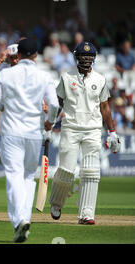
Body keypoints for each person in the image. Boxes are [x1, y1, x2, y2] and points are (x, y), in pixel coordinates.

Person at [0, 38, 59, 242]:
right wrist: (49, 123)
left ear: (18, 55)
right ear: (36, 54)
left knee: (14, 176)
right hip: (33, 134)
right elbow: (53, 105)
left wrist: (5, 107)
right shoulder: (44, 76)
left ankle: (19, 221)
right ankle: (24, 219)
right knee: (28, 177)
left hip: (11, 133)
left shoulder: (6, 74)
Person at [49, 42, 121, 225]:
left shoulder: (100, 79)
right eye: (82, 57)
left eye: (89, 57)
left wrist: (112, 132)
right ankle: (57, 203)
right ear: (76, 57)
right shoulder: (66, 77)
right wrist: (49, 125)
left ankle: (86, 213)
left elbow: (105, 106)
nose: (86, 60)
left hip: (93, 130)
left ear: (94, 59)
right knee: (66, 171)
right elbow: (58, 103)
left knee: (90, 171)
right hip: (71, 128)